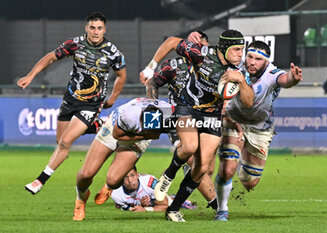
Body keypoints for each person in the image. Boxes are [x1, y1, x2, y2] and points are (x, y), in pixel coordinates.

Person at [140, 29, 254, 222]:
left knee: (201, 169)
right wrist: (151, 67)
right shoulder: (201, 53)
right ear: (224, 48)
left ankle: (173, 210)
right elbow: (170, 41)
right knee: (190, 147)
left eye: (242, 49)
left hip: (212, 116)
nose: (240, 54)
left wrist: (241, 82)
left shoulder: (239, 70)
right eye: (236, 49)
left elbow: (248, 102)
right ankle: (168, 176)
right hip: (187, 108)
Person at [17, 12, 127, 195]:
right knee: (60, 142)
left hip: (92, 104)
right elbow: (51, 57)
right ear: (86, 28)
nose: (96, 32)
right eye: (92, 27)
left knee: (66, 142)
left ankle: (39, 180)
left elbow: (121, 76)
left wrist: (113, 98)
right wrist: (31, 75)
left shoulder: (112, 52)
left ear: (104, 29)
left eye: (99, 28)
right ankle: (96, 125)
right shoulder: (75, 44)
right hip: (70, 100)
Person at [214, 40, 303, 221]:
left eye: (258, 59)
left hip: (260, 128)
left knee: (249, 182)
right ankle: (221, 210)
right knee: (227, 170)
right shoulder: (236, 69)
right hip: (234, 121)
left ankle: (239, 158)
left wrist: (293, 78)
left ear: (266, 62)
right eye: (250, 57)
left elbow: (285, 80)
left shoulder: (271, 73)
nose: (252, 62)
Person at [145, 31, 218, 211]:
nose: (201, 49)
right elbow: (152, 83)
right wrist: (153, 105)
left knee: (207, 169)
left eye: (204, 45)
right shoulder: (173, 66)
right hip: (181, 117)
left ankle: (183, 180)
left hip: (207, 119)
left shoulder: (214, 66)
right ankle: (219, 207)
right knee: (195, 161)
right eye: (197, 45)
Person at [73, 97, 174, 221]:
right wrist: (143, 135)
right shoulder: (129, 116)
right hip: (116, 128)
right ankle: (80, 199)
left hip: (142, 136)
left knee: (113, 180)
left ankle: (108, 186)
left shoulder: (171, 115)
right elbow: (117, 135)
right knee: (86, 174)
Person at [111, 166, 196, 212]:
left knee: (170, 204)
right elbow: (127, 208)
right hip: (142, 200)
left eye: (132, 176)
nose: (129, 180)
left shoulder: (149, 183)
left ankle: (175, 199)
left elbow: (165, 206)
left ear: (137, 175)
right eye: (125, 177)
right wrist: (140, 205)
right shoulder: (116, 194)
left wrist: (146, 209)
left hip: (155, 195)